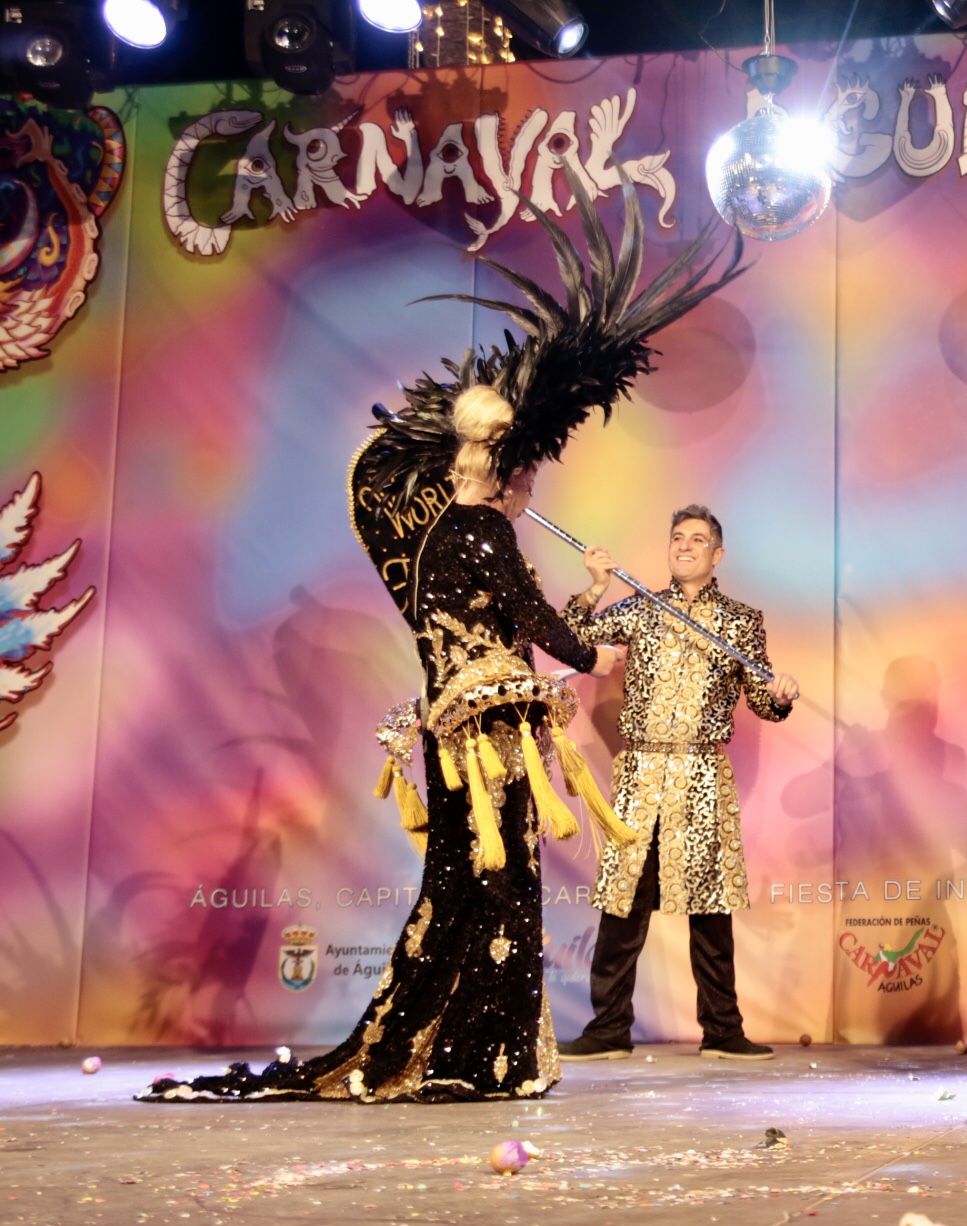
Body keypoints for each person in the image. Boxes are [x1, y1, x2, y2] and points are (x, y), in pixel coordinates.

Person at [140, 176, 742, 1102]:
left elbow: (503, 623)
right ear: (506, 474)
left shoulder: (432, 541)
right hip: (490, 747)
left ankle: (442, 1043)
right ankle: (480, 1055)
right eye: (530, 475)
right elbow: (533, 628)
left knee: (460, 885)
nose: (533, 492)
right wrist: (590, 644)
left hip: (454, 738)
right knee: (497, 888)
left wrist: (572, 616)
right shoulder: (489, 531)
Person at [557, 504, 798, 1061]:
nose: (684, 546)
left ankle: (722, 1029)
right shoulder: (640, 608)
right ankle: (608, 1028)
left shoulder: (741, 620)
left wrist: (779, 695)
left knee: (710, 907)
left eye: (697, 539)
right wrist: (594, 587)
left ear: (717, 555)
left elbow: (762, 699)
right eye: (676, 538)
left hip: (701, 772)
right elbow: (572, 640)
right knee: (623, 903)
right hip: (641, 771)